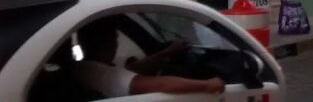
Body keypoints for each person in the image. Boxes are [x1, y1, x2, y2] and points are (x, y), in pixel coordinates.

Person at [73, 17, 225, 97]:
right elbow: (154, 85)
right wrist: (207, 85)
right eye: (114, 37)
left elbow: (130, 70)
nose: (116, 42)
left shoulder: (84, 67)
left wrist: (167, 52)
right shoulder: (98, 73)